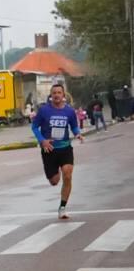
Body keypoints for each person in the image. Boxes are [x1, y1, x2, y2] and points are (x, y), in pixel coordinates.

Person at [31, 81, 83, 219]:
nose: (56, 95)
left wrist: (77, 133)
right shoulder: (44, 110)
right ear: (51, 95)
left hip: (65, 148)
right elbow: (34, 127)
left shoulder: (69, 111)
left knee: (67, 174)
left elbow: (74, 126)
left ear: (63, 95)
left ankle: (62, 208)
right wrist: (42, 140)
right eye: (54, 93)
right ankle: (55, 172)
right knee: (54, 181)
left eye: (59, 93)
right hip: (49, 149)